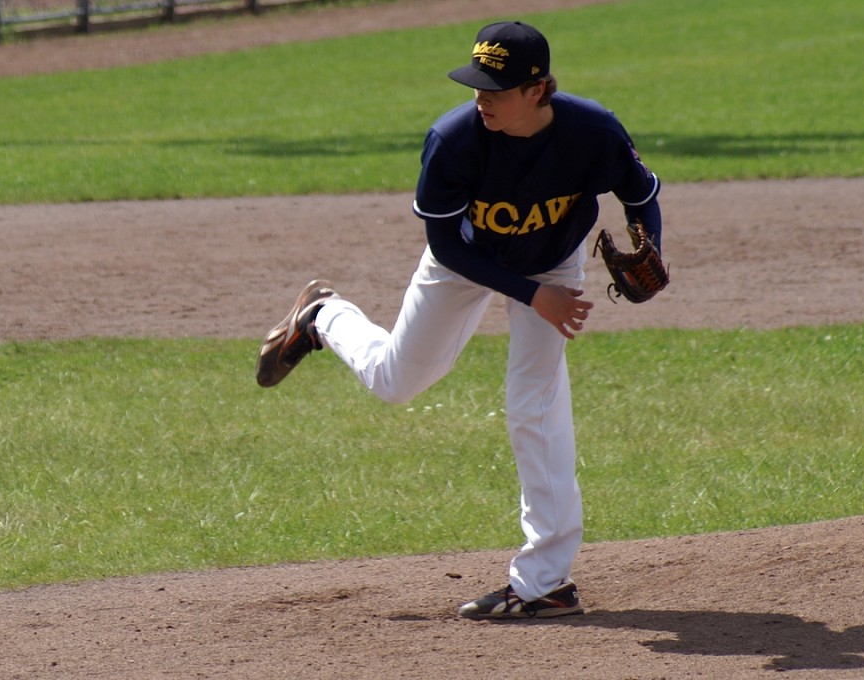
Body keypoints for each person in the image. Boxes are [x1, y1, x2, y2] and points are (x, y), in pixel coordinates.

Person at [256, 20, 662, 619]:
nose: (481, 99)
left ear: (538, 90)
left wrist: (651, 246)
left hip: (553, 265)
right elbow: (446, 245)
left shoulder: (593, 131)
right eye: (477, 85)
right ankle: (323, 316)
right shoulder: (453, 140)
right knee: (396, 382)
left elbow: (641, 195)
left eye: (495, 89)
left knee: (534, 405)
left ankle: (545, 582)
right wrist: (532, 296)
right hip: (468, 263)